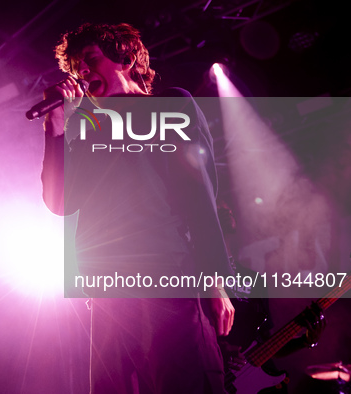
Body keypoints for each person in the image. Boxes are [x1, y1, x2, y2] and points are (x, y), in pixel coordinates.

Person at [40, 23, 234, 393]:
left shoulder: (170, 105)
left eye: (91, 59)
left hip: (170, 276)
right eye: (76, 67)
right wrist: (55, 127)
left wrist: (214, 279)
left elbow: (200, 192)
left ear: (126, 57)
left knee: (186, 382)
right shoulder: (84, 128)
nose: (82, 71)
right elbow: (60, 203)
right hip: (109, 289)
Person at [216, 199, 326, 393]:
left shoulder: (254, 279)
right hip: (213, 377)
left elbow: (266, 343)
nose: (226, 208)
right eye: (216, 204)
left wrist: (306, 341)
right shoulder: (196, 275)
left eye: (228, 206)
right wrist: (218, 351)